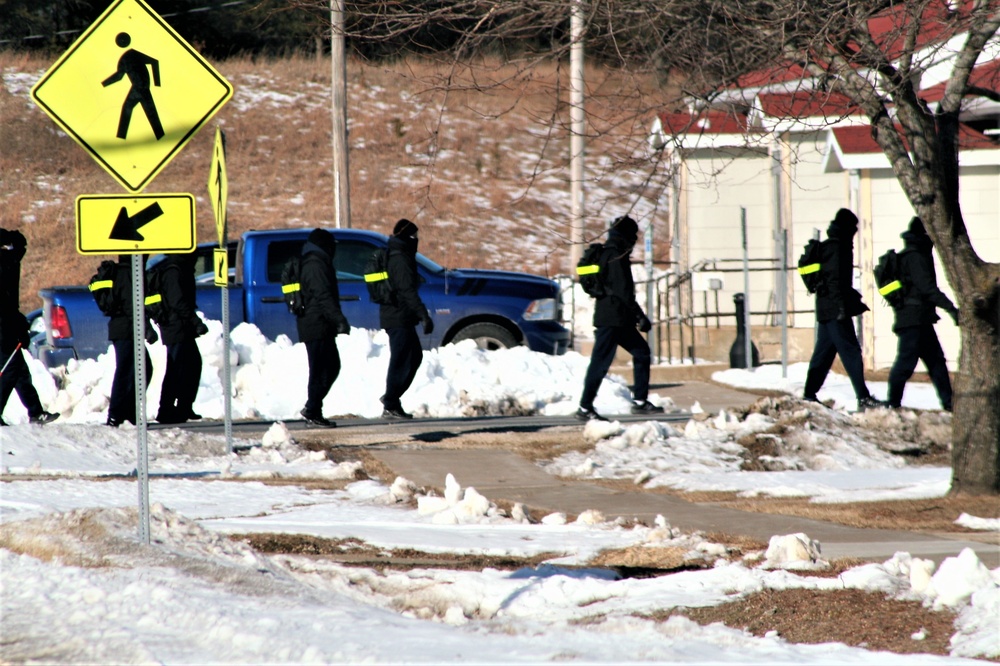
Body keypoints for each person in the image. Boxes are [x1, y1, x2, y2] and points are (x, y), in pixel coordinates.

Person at [577, 215, 664, 421]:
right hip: (611, 319)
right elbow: (623, 291)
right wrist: (640, 316)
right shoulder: (615, 255)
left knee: (641, 353)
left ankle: (640, 401)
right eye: (633, 235)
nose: (635, 240)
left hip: (618, 318)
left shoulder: (612, 252)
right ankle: (584, 407)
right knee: (600, 363)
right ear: (626, 235)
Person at [803, 208, 886, 411]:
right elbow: (834, 281)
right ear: (847, 227)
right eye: (854, 227)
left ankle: (808, 395)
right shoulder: (838, 248)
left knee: (823, 355)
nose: (856, 231)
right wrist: (840, 308)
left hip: (827, 308)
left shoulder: (833, 245)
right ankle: (863, 398)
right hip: (835, 309)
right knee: (851, 352)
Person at [887, 217, 959, 412]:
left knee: (937, 362)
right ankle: (892, 404)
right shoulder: (916, 257)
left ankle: (949, 403)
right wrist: (951, 309)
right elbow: (927, 288)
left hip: (920, 319)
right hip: (913, 320)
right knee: (905, 363)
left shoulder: (915, 254)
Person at [0, 228, 58, 426]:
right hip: (3, 324)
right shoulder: (5, 263)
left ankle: (35, 411)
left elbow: (20, 243)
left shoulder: (9, 261)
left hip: (9, 321)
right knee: (11, 367)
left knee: (19, 370)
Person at [379, 219, 433, 419]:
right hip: (397, 316)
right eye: (415, 236)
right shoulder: (400, 257)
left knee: (413, 357)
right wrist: (423, 314)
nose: (417, 240)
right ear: (409, 237)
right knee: (401, 360)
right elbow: (407, 290)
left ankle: (391, 400)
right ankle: (390, 403)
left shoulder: (400, 255)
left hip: (401, 316)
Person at [296, 229, 350, 427]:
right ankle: (312, 410)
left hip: (320, 323)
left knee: (329, 366)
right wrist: (339, 319)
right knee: (322, 369)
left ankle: (313, 408)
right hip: (316, 323)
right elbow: (323, 296)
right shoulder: (315, 264)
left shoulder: (316, 261)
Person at [154, 253, 208, 424]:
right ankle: (165, 409)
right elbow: (177, 302)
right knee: (175, 368)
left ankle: (184, 406)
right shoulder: (174, 271)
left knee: (192, 365)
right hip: (174, 326)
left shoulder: (181, 268)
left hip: (181, 326)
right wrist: (195, 321)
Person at [104, 256, 156, 427]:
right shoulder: (127, 274)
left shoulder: (127, 272)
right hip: (126, 329)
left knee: (141, 369)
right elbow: (132, 306)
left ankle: (127, 412)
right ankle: (116, 414)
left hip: (126, 329)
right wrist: (145, 328)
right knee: (126, 372)